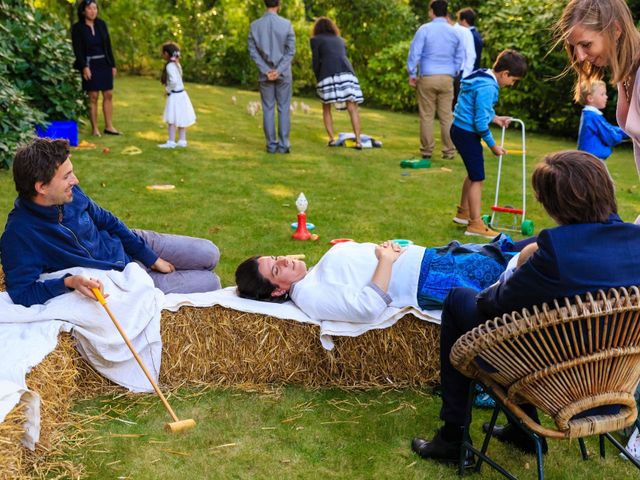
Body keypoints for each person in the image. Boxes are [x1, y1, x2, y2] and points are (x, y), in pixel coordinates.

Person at [411, 150, 640, 466]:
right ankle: (520, 431)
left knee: (459, 301)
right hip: (617, 376)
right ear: (607, 189)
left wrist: (519, 263)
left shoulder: (555, 253)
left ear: (554, 205)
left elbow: (494, 305)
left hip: (556, 375)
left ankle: (453, 438)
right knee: (523, 330)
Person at [0, 138, 221, 307]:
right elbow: (22, 292)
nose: (75, 181)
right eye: (66, 176)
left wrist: (149, 256)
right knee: (211, 282)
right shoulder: (19, 235)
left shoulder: (70, 193)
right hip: (123, 277)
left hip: (130, 242)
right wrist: (68, 282)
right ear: (41, 187)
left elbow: (108, 221)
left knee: (210, 253)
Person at [235, 236, 523, 322]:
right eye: (276, 270)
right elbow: (367, 307)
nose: (284, 260)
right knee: (520, 262)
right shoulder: (310, 296)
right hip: (432, 277)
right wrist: (385, 260)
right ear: (276, 292)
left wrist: (381, 249)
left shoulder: (311, 276)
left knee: (510, 252)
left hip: (431, 258)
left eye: (275, 258)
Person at [556, 0, 640, 174]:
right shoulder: (626, 74)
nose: (579, 56)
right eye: (574, 47)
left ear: (615, 30)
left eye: (586, 44)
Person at [450, 49, 527, 238]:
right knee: (478, 178)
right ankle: (475, 224)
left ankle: (463, 213)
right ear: (505, 74)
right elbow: (479, 123)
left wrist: (496, 118)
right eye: (513, 80)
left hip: (459, 129)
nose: (511, 84)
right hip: (467, 133)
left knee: (473, 173)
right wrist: (493, 145)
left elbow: (477, 109)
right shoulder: (489, 87)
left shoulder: (482, 77)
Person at [407, 0, 465, 161]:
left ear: (432, 11)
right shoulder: (454, 32)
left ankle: (427, 151)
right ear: (446, 12)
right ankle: (449, 151)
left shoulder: (424, 29)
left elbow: (415, 53)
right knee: (447, 116)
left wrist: (412, 74)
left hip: (428, 77)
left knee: (427, 115)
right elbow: (460, 56)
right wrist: (453, 71)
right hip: (447, 78)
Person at [248, 0, 296, 154]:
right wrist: (279, 70)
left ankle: (271, 145)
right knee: (283, 108)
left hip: (265, 74)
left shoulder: (254, 26)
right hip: (284, 74)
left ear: (265, 4)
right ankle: (283, 145)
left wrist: (266, 70)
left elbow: (253, 51)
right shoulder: (287, 24)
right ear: (279, 4)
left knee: (268, 108)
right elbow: (291, 51)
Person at [310, 17, 364, 149]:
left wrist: (318, 78)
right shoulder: (340, 40)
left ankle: (332, 139)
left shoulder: (315, 40)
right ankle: (358, 141)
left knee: (326, 107)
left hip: (327, 73)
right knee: (352, 108)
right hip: (347, 72)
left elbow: (316, 61)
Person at [71, 0, 120, 137]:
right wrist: (84, 67)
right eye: (89, 8)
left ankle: (109, 126)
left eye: (95, 8)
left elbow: (108, 45)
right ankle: (95, 128)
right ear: (83, 11)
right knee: (93, 96)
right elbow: (78, 50)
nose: (93, 11)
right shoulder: (78, 28)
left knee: (108, 94)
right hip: (89, 65)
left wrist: (113, 64)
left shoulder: (101, 25)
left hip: (104, 63)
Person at [577, 80, 629, 161]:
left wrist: (627, 130)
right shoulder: (593, 116)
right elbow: (609, 136)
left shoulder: (590, 115)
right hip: (592, 161)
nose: (606, 96)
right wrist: (628, 133)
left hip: (589, 159)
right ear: (590, 98)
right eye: (602, 94)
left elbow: (609, 128)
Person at [158, 42, 196, 149]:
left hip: (175, 95)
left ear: (166, 53)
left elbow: (174, 81)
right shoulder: (177, 64)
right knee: (181, 117)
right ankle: (182, 140)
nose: (162, 55)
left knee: (172, 119)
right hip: (182, 94)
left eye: (163, 53)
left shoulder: (170, 65)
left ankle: (171, 141)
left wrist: (168, 90)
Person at [447, 11, 476, 109]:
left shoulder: (464, 31)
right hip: (445, 72)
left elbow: (471, 54)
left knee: (457, 105)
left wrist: (465, 77)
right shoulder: (444, 31)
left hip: (460, 73)